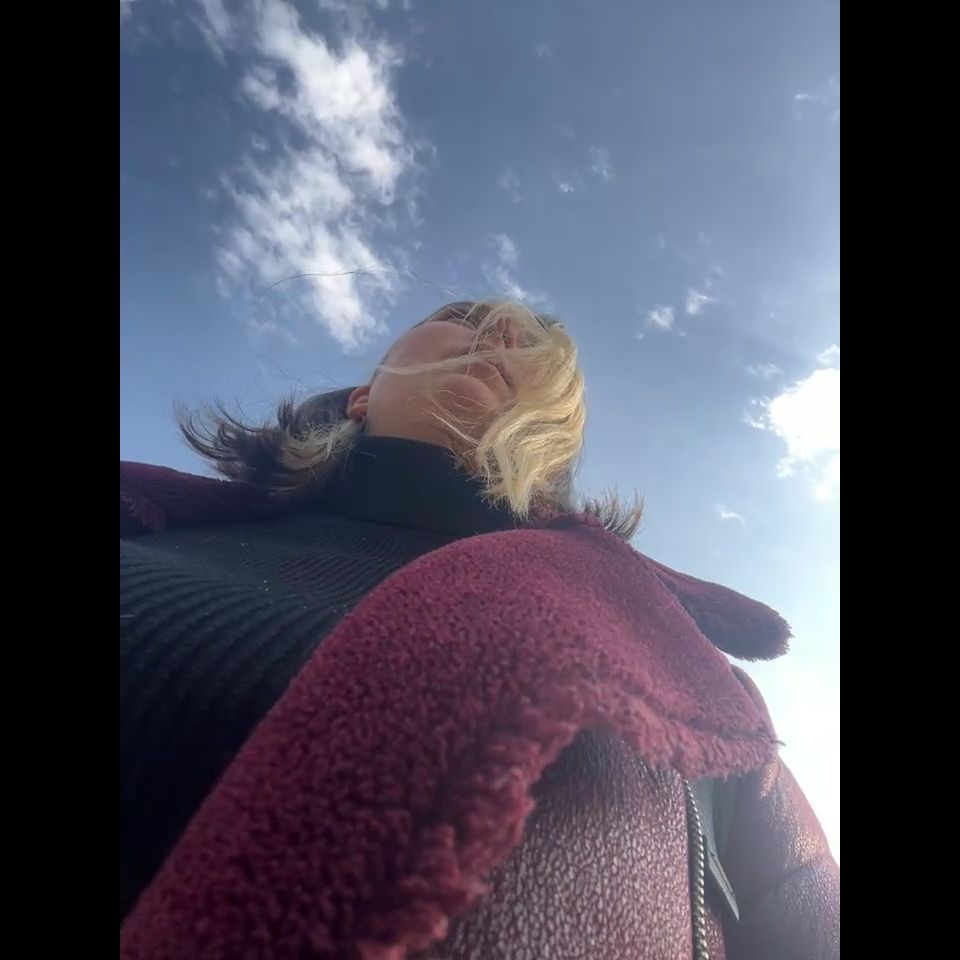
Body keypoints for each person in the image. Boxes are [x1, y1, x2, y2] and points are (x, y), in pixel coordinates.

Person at [120, 300, 839, 960]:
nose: (498, 337)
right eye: (463, 318)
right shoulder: (143, 526)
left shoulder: (695, 690)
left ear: (554, 442)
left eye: (530, 352)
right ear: (363, 395)